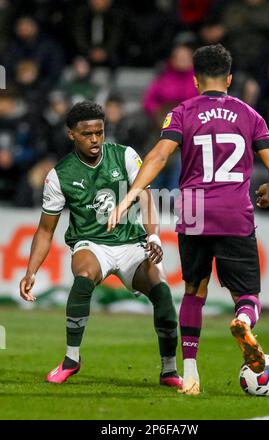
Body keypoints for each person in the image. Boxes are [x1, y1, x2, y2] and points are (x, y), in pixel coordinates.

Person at [108, 44, 269, 395]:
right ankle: (243, 321)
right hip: (235, 211)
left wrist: (130, 195)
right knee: (247, 295)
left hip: (194, 213)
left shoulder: (182, 112)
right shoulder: (250, 115)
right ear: (230, 79)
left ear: (195, 80)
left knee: (194, 291)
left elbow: (160, 156)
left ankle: (190, 374)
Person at [19, 101, 182, 388]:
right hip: (91, 244)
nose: (95, 140)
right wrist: (31, 271)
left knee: (162, 292)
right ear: (72, 135)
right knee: (83, 275)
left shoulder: (125, 156)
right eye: (87, 134)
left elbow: (144, 197)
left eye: (99, 132)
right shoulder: (60, 175)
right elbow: (46, 230)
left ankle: (169, 370)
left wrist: (153, 235)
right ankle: (72, 358)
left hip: (133, 243)